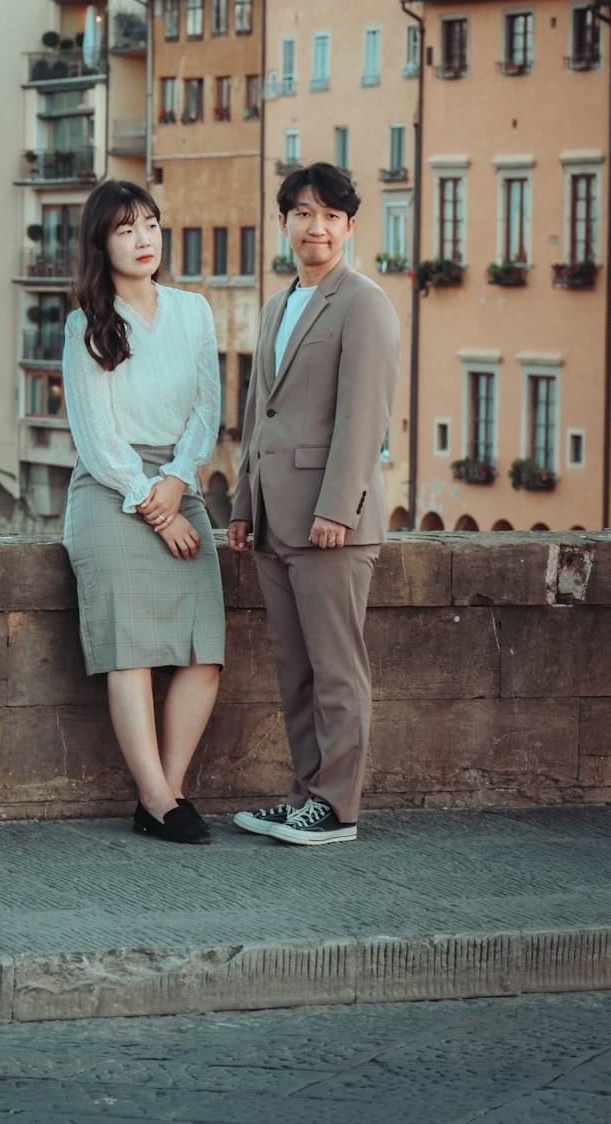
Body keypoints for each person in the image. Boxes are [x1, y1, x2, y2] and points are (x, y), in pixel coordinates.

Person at [228, 162, 400, 846]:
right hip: (275, 519)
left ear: (350, 227)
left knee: (336, 670)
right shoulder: (277, 305)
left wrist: (338, 509)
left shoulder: (365, 304)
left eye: (330, 215)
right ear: (285, 223)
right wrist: (243, 503)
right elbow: (257, 415)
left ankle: (337, 807)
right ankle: (304, 795)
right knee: (294, 671)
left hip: (331, 523)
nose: (316, 226)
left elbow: (365, 418)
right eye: (303, 213)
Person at [63, 179, 225, 846]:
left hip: (178, 479)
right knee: (129, 652)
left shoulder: (193, 311)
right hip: (110, 490)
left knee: (202, 651)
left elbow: (207, 407)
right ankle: (157, 801)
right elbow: (95, 435)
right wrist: (154, 504)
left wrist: (180, 479)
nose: (145, 238)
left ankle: (169, 790)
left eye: (153, 224)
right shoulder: (86, 322)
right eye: (127, 228)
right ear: (102, 242)